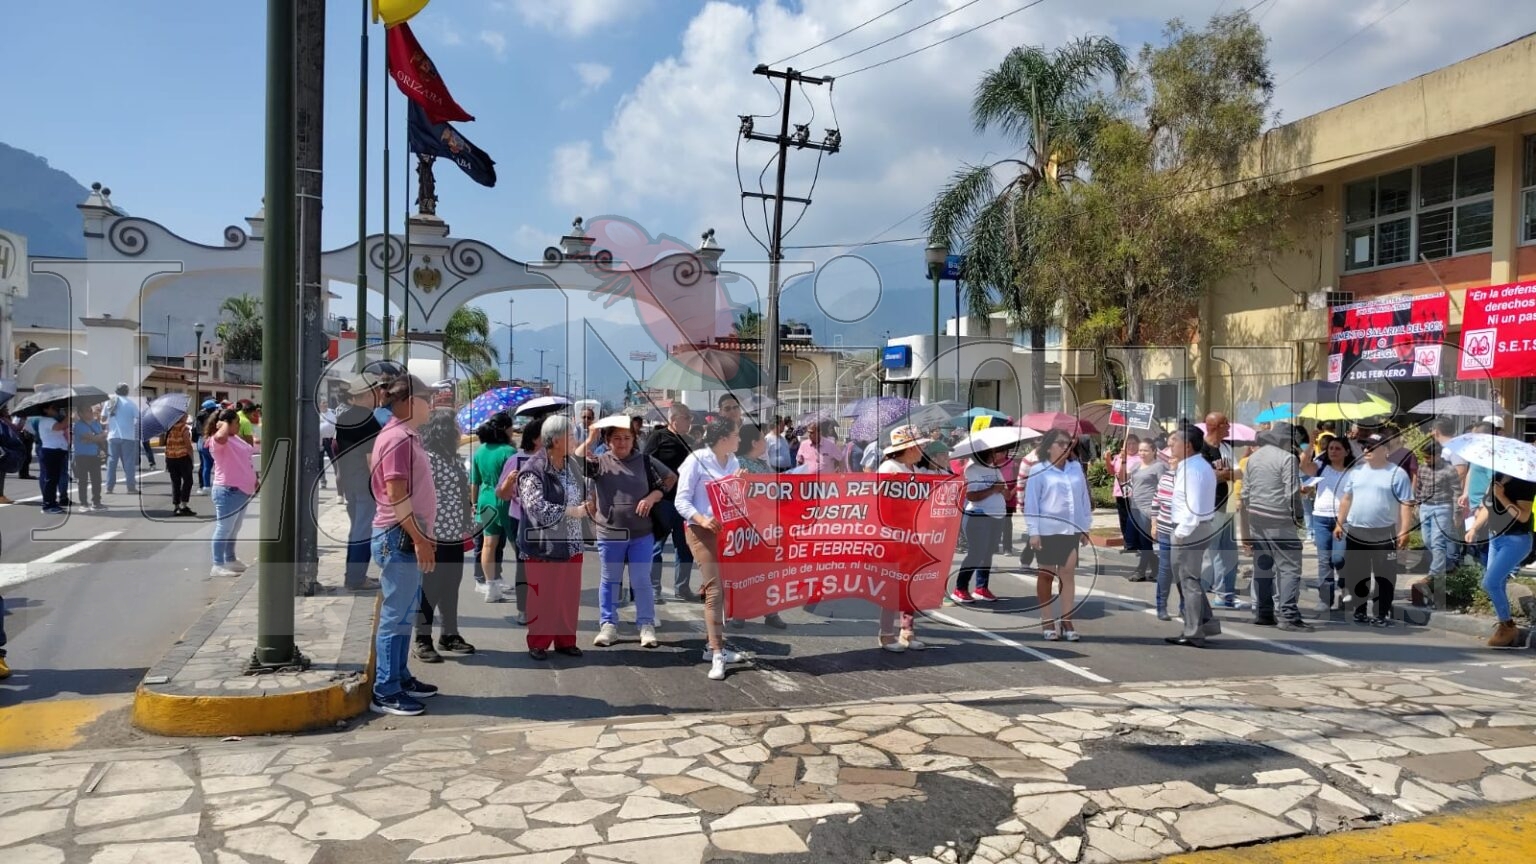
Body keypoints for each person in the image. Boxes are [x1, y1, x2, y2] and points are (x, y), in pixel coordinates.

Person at [368, 373, 442, 716]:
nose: (432, 405)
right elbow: (396, 494)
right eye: (428, 398)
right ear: (411, 402)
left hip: (409, 534)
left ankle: (399, 676)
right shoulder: (397, 438)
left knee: (404, 614)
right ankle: (386, 689)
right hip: (399, 535)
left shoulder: (407, 436)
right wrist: (419, 538)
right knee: (395, 616)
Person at [579, 417, 675, 648]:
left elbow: (670, 478)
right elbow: (575, 459)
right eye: (616, 438)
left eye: (627, 438)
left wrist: (654, 496)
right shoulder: (599, 462)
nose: (622, 443)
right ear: (608, 440)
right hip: (609, 533)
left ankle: (646, 624)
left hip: (642, 533)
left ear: (634, 439)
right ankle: (608, 625)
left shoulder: (644, 460)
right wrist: (591, 438)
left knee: (641, 580)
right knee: (610, 580)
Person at [675, 418, 743, 681]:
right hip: (700, 530)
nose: (739, 440)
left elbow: (733, 499)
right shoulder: (696, 460)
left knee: (719, 587)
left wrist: (739, 483)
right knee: (715, 589)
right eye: (735, 435)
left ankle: (709, 645)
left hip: (726, 531)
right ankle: (717, 652)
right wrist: (701, 519)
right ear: (723, 438)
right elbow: (681, 500)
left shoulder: (733, 461)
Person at [516, 414, 588, 661]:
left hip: (572, 542)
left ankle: (566, 640)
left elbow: (581, 489)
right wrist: (571, 511)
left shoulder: (570, 464)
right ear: (556, 440)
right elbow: (534, 507)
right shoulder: (533, 469)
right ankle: (538, 642)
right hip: (543, 545)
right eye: (570, 436)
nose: (574, 440)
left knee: (568, 595)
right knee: (543, 596)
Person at [413, 409, 476, 663]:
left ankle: (449, 634)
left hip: (454, 535)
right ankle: (422, 639)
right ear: (444, 430)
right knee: (430, 588)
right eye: (455, 427)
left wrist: (465, 524)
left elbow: (462, 493)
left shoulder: (451, 458)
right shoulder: (428, 459)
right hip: (434, 534)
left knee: (451, 586)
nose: (459, 431)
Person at [1334, 433, 1414, 627]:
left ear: (1385, 450)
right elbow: (1347, 498)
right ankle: (1360, 610)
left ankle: (1381, 613)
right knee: (1356, 573)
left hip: (1383, 532)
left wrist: (1404, 530)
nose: (1366, 450)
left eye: (1371, 447)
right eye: (1364, 447)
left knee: (1384, 575)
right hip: (1356, 531)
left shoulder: (1397, 473)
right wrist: (1339, 522)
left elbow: (1406, 503)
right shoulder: (1356, 472)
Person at [1239, 423, 1311, 631]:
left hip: (1256, 518)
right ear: (1285, 441)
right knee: (1289, 567)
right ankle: (1288, 616)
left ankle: (1264, 612)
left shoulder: (1254, 458)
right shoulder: (1287, 459)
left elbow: (1245, 493)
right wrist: (1298, 517)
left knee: (1263, 566)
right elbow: (1291, 493)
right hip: (1279, 519)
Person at [1025, 430, 1091, 640]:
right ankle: (1047, 620)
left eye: (1067, 443)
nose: (1065, 447)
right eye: (1060, 443)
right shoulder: (1039, 470)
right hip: (1047, 531)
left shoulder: (1075, 469)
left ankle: (1067, 620)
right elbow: (1032, 504)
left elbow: (1083, 499)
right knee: (1046, 575)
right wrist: (1033, 532)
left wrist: (1085, 526)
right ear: (1048, 447)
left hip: (1070, 530)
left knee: (1068, 574)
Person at [875, 425, 934, 652]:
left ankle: (907, 630)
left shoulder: (913, 468)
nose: (923, 448)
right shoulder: (889, 468)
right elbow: (883, 503)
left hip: (913, 533)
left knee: (909, 584)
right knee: (892, 584)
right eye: (920, 444)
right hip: (894, 535)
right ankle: (886, 633)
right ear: (908, 447)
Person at [727, 424, 787, 631]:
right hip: (746, 527)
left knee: (768, 571)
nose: (765, 443)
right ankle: (740, 612)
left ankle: (771, 611)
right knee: (745, 571)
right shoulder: (738, 464)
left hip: (766, 526)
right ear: (753, 442)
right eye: (762, 439)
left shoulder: (762, 465)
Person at [1165, 426, 1221, 648]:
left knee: (1188, 581)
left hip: (1190, 529)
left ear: (1187, 445)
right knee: (1186, 579)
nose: (1170, 445)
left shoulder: (1193, 469)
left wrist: (1180, 532)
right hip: (1193, 528)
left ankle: (1193, 631)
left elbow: (1194, 506)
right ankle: (1205, 622)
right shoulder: (1191, 466)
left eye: (1174, 442)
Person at [334, 371, 388, 591]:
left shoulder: (344, 416)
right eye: (377, 391)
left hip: (349, 480)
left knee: (356, 529)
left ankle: (354, 575)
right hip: (365, 482)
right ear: (369, 393)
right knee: (363, 530)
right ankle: (356, 578)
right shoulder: (369, 420)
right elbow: (371, 459)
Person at [1468, 468, 1534, 648]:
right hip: (1495, 537)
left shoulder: (1525, 482)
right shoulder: (1497, 477)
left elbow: (1523, 516)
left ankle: (1508, 626)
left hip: (1516, 540)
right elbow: (1487, 507)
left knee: (1490, 582)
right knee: (1498, 584)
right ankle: (1505, 628)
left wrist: (1502, 496)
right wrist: (1474, 528)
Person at [643, 403, 698, 602]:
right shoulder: (658, 437)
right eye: (687, 418)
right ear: (674, 419)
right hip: (663, 501)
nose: (690, 422)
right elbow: (645, 462)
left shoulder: (691, 441)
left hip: (685, 502)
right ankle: (654, 589)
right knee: (656, 546)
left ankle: (682, 588)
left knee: (684, 547)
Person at [1302, 436, 1354, 610]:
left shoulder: (1353, 471)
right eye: (1331, 448)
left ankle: (1346, 586)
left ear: (1346, 452)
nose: (1333, 451)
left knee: (1339, 559)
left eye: (1338, 448)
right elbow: (1304, 466)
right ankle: (1325, 599)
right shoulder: (1321, 466)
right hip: (1321, 518)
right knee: (1324, 561)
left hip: (1343, 520)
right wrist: (1310, 444)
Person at [1200, 412, 1245, 609]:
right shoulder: (1200, 450)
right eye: (1226, 424)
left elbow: (1238, 472)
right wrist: (1221, 475)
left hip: (1228, 505)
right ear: (1215, 426)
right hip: (1210, 508)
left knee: (1229, 553)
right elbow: (1204, 478)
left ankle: (1225, 594)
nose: (1229, 427)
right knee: (1211, 555)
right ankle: (1198, 595)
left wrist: (1223, 474)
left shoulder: (1226, 447)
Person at [954, 445, 1010, 605]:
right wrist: (993, 489)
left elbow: (1006, 494)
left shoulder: (995, 469)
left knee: (988, 553)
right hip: (978, 516)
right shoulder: (972, 470)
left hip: (997, 516)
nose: (999, 455)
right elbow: (971, 496)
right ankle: (960, 588)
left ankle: (981, 588)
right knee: (976, 553)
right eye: (995, 452)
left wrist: (1004, 490)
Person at [470, 414, 516, 603]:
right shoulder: (509, 452)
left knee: (488, 545)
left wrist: (473, 504)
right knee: (517, 544)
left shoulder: (480, 451)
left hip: (485, 500)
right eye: (511, 427)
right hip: (507, 501)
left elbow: (474, 482)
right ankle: (526, 584)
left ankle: (490, 587)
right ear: (505, 429)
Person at [207, 408, 257, 577]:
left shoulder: (235, 438)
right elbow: (220, 437)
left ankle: (230, 558)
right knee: (224, 528)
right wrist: (223, 426)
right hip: (228, 490)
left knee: (234, 528)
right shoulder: (218, 440)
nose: (239, 425)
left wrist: (254, 477)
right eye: (236, 423)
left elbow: (247, 456)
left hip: (242, 490)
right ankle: (217, 564)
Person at [1411, 440, 1459, 609]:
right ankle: (1446, 564)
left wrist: (1456, 512)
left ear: (1437, 455)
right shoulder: (1423, 468)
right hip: (1425, 507)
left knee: (1438, 542)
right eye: (1424, 457)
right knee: (1427, 541)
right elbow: (1419, 487)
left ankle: (1433, 574)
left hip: (1443, 507)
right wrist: (1416, 504)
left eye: (1429, 457)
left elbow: (1456, 491)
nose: (1426, 460)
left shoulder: (1449, 470)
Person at [1126, 439, 1165, 583]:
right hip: (1134, 506)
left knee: (1145, 540)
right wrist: (1123, 460)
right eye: (1140, 450)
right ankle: (1156, 565)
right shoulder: (1136, 466)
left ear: (1154, 451)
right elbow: (1123, 478)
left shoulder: (1158, 466)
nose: (1142, 453)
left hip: (1148, 508)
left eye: (1145, 450)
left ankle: (1141, 570)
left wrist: (1160, 509)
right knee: (1135, 540)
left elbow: (1164, 487)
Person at [1151, 442, 1182, 621]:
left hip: (1182, 530)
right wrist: (1154, 523)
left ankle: (1184, 606)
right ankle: (1161, 605)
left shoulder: (1187, 478)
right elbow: (1156, 501)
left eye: (1175, 458)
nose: (1171, 461)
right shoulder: (1165, 478)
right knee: (1165, 568)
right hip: (1165, 528)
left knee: (1182, 570)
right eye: (1169, 458)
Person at [102, 383, 139, 494]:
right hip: (128, 436)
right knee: (128, 462)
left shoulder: (109, 402)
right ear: (126, 392)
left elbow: (103, 418)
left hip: (113, 436)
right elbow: (137, 418)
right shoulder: (131, 404)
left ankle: (109, 487)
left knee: (112, 462)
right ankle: (130, 487)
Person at [1109, 434, 1143, 554]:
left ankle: (1136, 543)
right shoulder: (1119, 457)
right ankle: (1128, 543)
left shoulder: (1141, 458)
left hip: (1134, 493)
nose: (1131, 446)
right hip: (1121, 492)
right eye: (1129, 444)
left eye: (1134, 443)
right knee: (1124, 518)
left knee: (1134, 518)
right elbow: (1115, 473)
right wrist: (1108, 459)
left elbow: (1129, 475)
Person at [35, 403, 70, 515]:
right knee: (51, 479)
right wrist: (69, 415)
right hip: (51, 452)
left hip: (56, 451)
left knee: (54, 479)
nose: (56, 409)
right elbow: (60, 427)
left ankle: (52, 503)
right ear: (45, 410)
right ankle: (47, 505)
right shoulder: (47, 421)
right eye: (53, 408)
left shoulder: (51, 420)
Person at [71, 405, 107, 512]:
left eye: (91, 410)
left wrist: (96, 438)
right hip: (81, 456)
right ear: (81, 414)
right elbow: (92, 437)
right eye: (87, 410)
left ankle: (96, 502)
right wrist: (98, 436)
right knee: (83, 481)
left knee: (97, 480)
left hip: (95, 455)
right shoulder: (79, 425)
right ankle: (83, 504)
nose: (91, 412)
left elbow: (98, 438)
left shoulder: (96, 424)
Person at [164, 412, 196, 516]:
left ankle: (176, 506)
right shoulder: (184, 428)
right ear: (181, 417)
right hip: (182, 457)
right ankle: (183, 504)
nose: (187, 417)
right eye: (185, 415)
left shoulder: (170, 428)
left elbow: (168, 444)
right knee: (188, 481)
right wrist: (192, 458)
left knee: (175, 482)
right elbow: (188, 445)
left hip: (171, 458)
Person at [195, 399, 218, 496]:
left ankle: (206, 486)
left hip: (200, 441)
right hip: (210, 440)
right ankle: (219, 485)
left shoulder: (199, 416)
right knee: (218, 464)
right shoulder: (212, 418)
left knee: (206, 465)